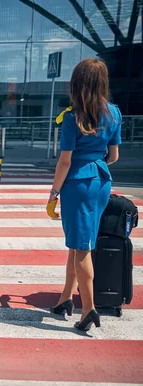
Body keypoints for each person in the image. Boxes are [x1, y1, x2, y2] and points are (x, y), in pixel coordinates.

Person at [47, 58, 122, 331]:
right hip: (101, 180)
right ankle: (65, 299)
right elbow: (113, 156)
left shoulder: (72, 118)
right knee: (78, 242)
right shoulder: (114, 113)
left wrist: (54, 192)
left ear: (77, 84)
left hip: (77, 184)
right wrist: (95, 160)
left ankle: (88, 308)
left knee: (81, 248)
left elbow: (64, 162)